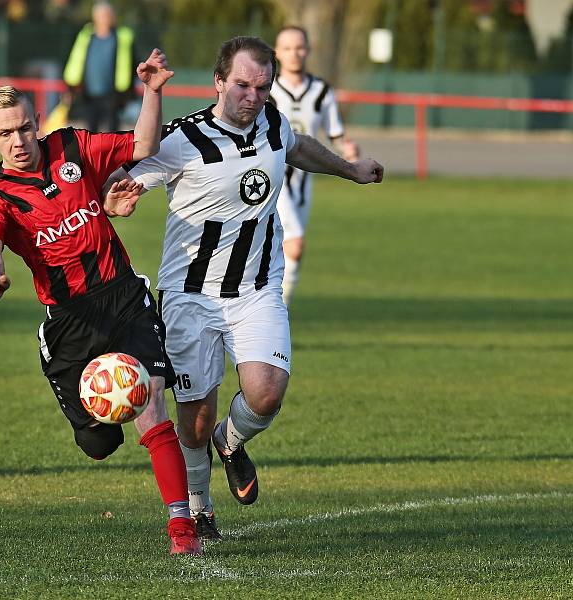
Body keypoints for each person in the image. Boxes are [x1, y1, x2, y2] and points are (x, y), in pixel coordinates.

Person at [103, 37, 383, 540]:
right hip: (190, 294)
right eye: (241, 85)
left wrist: (349, 169)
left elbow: (297, 147)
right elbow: (127, 178)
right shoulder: (182, 140)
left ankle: (229, 443)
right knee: (193, 414)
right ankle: (200, 507)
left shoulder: (273, 121)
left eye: (261, 86)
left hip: (256, 288)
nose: (251, 96)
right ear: (218, 82)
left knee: (267, 392)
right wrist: (115, 200)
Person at [0, 50, 203, 556]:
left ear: (38, 122)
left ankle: (182, 528)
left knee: (150, 398)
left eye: (26, 128)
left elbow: (143, 144)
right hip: (69, 321)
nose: (19, 141)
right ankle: (99, 424)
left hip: (122, 297)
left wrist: (153, 90)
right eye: (6, 133)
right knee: (98, 444)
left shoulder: (72, 144)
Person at [270, 25, 361, 305]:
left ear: (308, 50)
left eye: (299, 47)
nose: (294, 53)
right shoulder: (267, 89)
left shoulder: (321, 91)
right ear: (277, 52)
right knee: (294, 246)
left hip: (304, 180)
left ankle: (270, 313)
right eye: (287, 48)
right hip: (273, 178)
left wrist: (349, 152)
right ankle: (278, 316)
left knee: (281, 252)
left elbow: (336, 135)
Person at [63, 1, 136, 132]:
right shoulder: (85, 36)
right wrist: (71, 87)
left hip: (113, 95)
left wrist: (127, 93)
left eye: (106, 15)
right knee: (91, 133)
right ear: (94, 17)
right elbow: (76, 61)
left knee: (113, 133)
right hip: (89, 94)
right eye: (101, 15)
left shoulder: (122, 37)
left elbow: (131, 65)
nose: (104, 19)